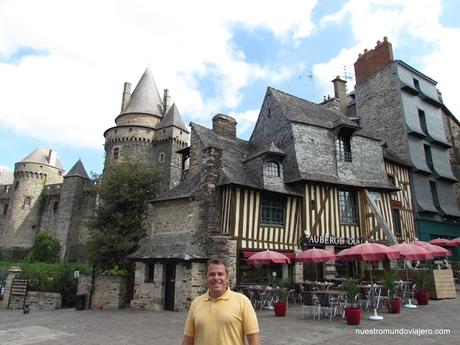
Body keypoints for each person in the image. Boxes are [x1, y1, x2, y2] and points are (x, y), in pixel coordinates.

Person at [181, 257, 260, 345]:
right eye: (212, 274)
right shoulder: (196, 303)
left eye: (220, 274)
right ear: (206, 278)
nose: (216, 277)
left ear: (226, 277)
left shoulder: (242, 301)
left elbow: (254, 340)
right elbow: (188, 339)